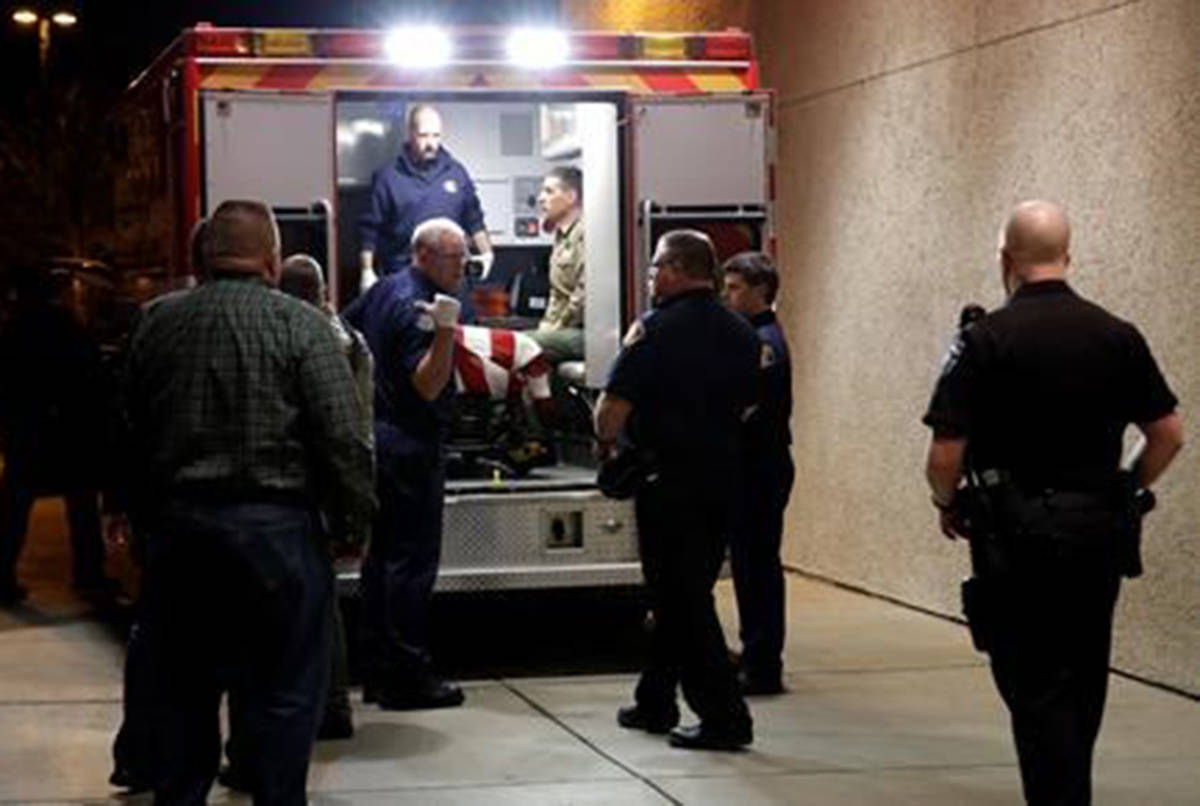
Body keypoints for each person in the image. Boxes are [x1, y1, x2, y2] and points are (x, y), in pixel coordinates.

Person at [923, 200, 1183, 805]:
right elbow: (1168, 433)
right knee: (1084, 676)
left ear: (1005, 259)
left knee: (1032, 686)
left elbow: (944, 453)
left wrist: (947, 502)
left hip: (1015, 540)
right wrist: (1129, 485)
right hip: (1097, 533)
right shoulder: (1117, 334)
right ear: (1068, 254)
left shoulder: (983, 340)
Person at [120, 200, 374, 804]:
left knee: (183, 692)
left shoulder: (156, 323)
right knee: (284, 694)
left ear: (206, 254)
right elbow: (343, 435)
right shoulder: (303, 326)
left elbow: (126, 431)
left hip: (182, 535)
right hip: (278, 538)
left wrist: (134, 521)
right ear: (271, 258)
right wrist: (351, 522)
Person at [595, 229, 759, 750]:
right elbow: (750, 407)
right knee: (684, 592)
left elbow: (609, 414)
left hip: (669, 483)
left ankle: (724, 717)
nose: (649, 278)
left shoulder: (654, 330)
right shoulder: (741, 331)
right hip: (722, 479)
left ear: (674, 269)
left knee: (682, 600)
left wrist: (612, 443)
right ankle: (655, 700)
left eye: (654, 269)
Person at [345, 217, 469, 710]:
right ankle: (407, 678)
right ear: (424, 254)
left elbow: (345, 329)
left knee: (381, 564)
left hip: (379, 440)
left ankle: (377, 672)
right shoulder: (419, 307)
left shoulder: (383, 290)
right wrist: (444, 333)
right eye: (454, 257)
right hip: (411, 447)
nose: (463, 266)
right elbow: (427, 385)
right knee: (411, 566)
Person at [0, 265, 114, 605]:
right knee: (81, 509)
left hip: (29, 432)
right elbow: (90, 376)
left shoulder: (13, 330)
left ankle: (3, 575)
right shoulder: (68, 326)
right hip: (70, 432)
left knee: (14, 510)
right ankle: (89, 575)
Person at [721, 252, 794, 695]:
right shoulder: (750, 337)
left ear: (761, 291)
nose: (726, 295)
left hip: (760, 465)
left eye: (734, 288)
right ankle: (756, 655)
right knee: (750, 565)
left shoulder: (764, 343)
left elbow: (745, 410)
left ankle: (763, 663)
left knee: (757, 567)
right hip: (752, 464)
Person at [358, 104, 494, 291]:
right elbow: (370, 230)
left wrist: (487, 254)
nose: (430, 143)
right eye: (423, 135)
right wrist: (366, 271)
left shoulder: (456, 172)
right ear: (410, 133)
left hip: (450, 278)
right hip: (403, 277)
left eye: (435, 135)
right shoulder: (387, 177)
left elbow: (474, 218)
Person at [530, 166, 585, 363]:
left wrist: (556, 328)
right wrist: (546, 326)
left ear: (571, 197)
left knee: (521, 345)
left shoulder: (585, 232)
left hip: (585, 331)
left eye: (549, 191)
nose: (540, 198)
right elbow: (557, 295)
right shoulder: (561, 237)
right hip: (565, 329)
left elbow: (582, 294)